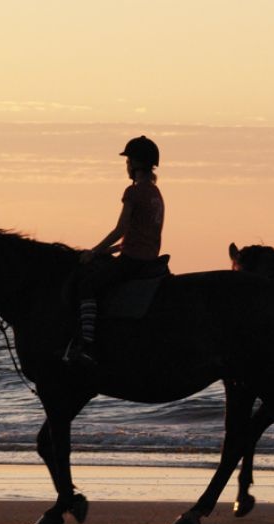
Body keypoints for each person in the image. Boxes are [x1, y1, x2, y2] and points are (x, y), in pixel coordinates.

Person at [64, 136, 165, 366]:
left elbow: (121, 229)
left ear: (136, 164)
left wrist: (94, 251)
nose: (126, 165)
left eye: (128, 160)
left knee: (87, 285)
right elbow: (140, 234)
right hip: (148, 258)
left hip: (132, 260)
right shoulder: (156, 193)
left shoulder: (134, 192)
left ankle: (86, 344)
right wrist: (109, 251)